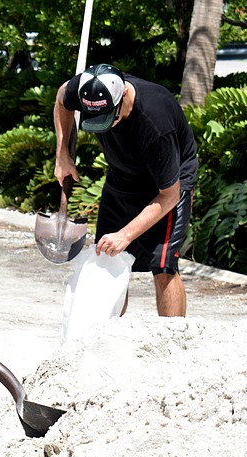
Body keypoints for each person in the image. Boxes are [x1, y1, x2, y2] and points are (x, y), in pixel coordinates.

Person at [53, 63, 198, 316]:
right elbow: (61, 98)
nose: (106, 128)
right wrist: (62, 154)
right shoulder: (86, 88)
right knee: (107, 257)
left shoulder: (156, 122)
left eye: (110, 118)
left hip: (168, 184)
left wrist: (126, 235)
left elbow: (169, 195)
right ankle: (110, 336)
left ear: (125, 96)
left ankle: (171, 342)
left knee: (163, 264)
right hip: (122, 175)